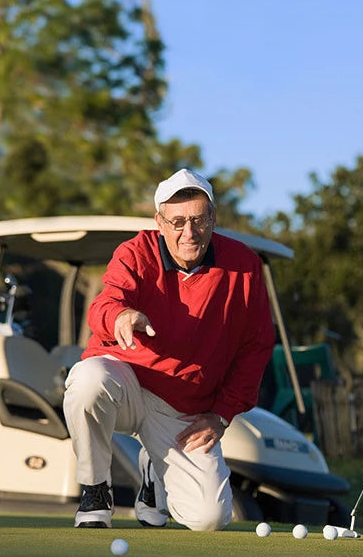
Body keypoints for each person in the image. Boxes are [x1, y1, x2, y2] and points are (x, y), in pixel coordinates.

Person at [63, 168, 276, 531]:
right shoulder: (135, 252)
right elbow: (103, 306)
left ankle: (153, 471)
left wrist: (222, 414)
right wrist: (121, 314)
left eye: (197, 219)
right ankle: (96, 489)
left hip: (184, 406)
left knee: (209, 518)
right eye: (177, 222)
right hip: (126, 380)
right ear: (159, 222)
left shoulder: (245, 266)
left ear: (213, 219)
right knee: (86, 380)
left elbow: (256, 347)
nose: (188, 232)